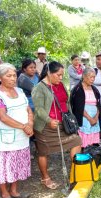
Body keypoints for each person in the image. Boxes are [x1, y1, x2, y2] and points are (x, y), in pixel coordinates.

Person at [0, 63, 32, 198]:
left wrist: (30, 123)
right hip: (6, 136)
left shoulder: (19, 91)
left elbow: (28, 109)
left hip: (22, 135)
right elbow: (3, 117)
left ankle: (14, 190)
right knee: (5, 164)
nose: (13, 79)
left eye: (14, 76)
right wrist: (23, 126)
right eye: (9, 76)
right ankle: (4, 193)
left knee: (17, 162)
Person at [32, 61, 82, 189]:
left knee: (76, 141)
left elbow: (66, 102)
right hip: (46, 127)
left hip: (63, 124)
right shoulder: (39, 87)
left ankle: (74, 174)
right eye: (58, 75)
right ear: (49, 73)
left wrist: (70, 116)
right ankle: (45, 177)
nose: (60, 78)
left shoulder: (60, 85)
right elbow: (39, 109)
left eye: (62, 75)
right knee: (43, 152)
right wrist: (49, 120)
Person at [70, 67, 101, 147]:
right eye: (91, 77)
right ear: (84, 76)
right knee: (84, 143)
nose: (93, 79)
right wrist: (90, 119)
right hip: (84, 119)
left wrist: (96, 118)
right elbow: (78, 107)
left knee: (93, 144)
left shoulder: (95, 89)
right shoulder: (78, 89)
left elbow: (98, 104)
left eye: (94, 77)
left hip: (94, 119)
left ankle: (93, 155)